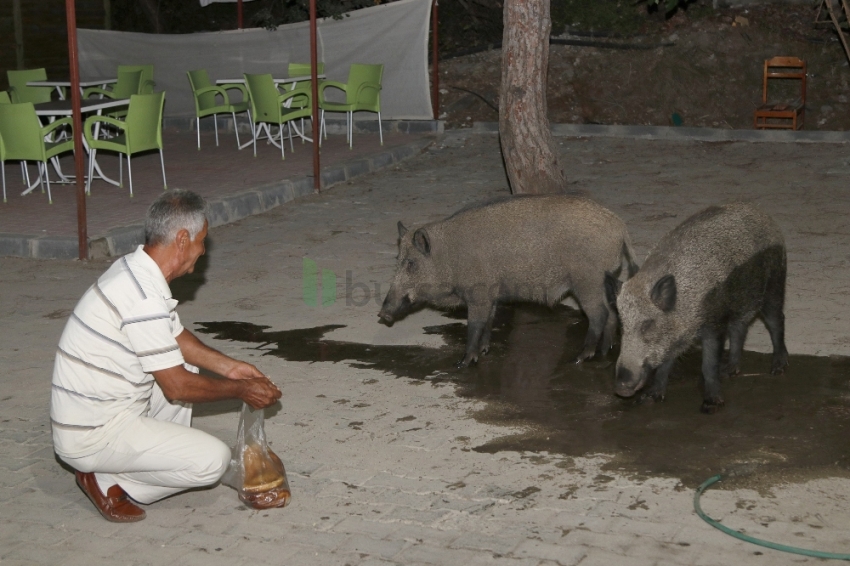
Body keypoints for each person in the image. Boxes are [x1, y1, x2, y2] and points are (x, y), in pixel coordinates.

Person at [50, 189, 281, 522]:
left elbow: (174, 335)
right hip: (91, 435)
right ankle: (107, 479)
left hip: (106, 412)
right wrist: (242, 391)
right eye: (202, 241)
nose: (203, 250)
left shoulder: (136, 269)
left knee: (182, 359)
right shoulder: (142, 295)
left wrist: (231, 369)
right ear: (183, 239)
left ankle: (148, 452)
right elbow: (176, 387)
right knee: (211, 462)